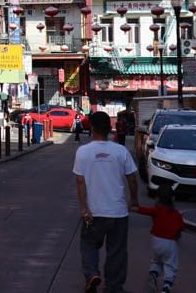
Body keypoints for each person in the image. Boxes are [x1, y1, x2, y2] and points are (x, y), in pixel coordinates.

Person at [73, 111, 139, 293]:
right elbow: (132, 178)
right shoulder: (121, 151)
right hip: (118, 212)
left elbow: (80, 182)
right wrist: (133, 199)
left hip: (94, 212)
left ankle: (92, 274)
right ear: (110, 129)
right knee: (117, 251)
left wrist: (84, 207)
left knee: (88, 244)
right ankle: (114, 286)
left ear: (91, 129)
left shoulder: (83, 152)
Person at [136, 184, 184, 293]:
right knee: (170, 265)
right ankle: (166, 287)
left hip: (156, 240)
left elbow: (144, 210)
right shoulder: (176, 214)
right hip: (170, 242)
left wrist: (134, 207)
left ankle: (153, 274)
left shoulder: (156, 210)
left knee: (157, 260)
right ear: (173, 198)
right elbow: (180, 227)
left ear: (157, 197)